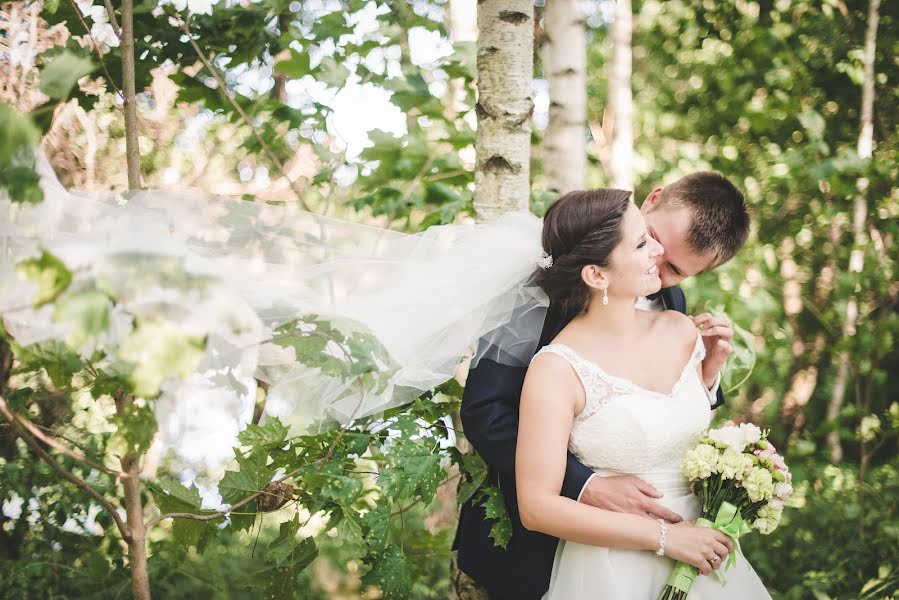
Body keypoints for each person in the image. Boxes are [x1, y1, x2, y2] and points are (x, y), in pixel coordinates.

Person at [453, 173, 752, 599]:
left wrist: (705, 378)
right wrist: (585, 485)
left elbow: (654, 416)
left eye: (675, 269)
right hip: (531, 547)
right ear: (653, 200)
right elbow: (487, 411)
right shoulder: (531, 290)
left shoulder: (672, 305)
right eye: (651, 240)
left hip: (676, 548)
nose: (657, 262)